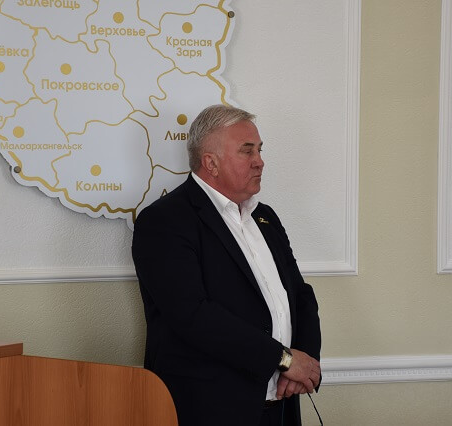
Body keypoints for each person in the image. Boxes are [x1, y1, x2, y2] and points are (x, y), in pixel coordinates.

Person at [132, 104, 321, 426]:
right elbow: (192, 315)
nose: (259, 160)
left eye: (259, 149)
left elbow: (299, 294)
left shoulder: (265, 217)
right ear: (211, 163)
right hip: (211, 407)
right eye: (247, 151)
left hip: (282, 401)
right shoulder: (164, 220)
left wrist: (305, 362)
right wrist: (285, 360)